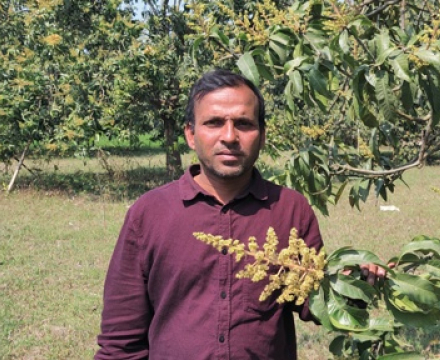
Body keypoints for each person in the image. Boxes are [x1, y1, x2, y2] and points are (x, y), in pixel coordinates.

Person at [96, 69, 384, 359]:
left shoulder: (290, 210)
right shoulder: (149, 214)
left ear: (262, 136)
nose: (230, 136)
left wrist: (350, 286)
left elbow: (312, 301)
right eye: (214, 123)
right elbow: (121, 341)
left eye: (244, 124)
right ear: (191, 135)